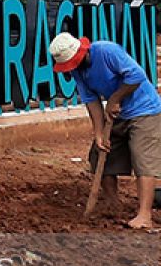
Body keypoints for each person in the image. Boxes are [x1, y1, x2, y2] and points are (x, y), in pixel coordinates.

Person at [51, 32, 161, 229]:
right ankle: (113, 204)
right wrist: (99, 133)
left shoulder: (107, 51)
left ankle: (145, 215)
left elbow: (137, 75)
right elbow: (91, 102)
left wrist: (114, 99)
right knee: (100, 154)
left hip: (145, 110)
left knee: (142, 159)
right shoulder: (77, 71)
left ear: (82, 52)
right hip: (117, 115)